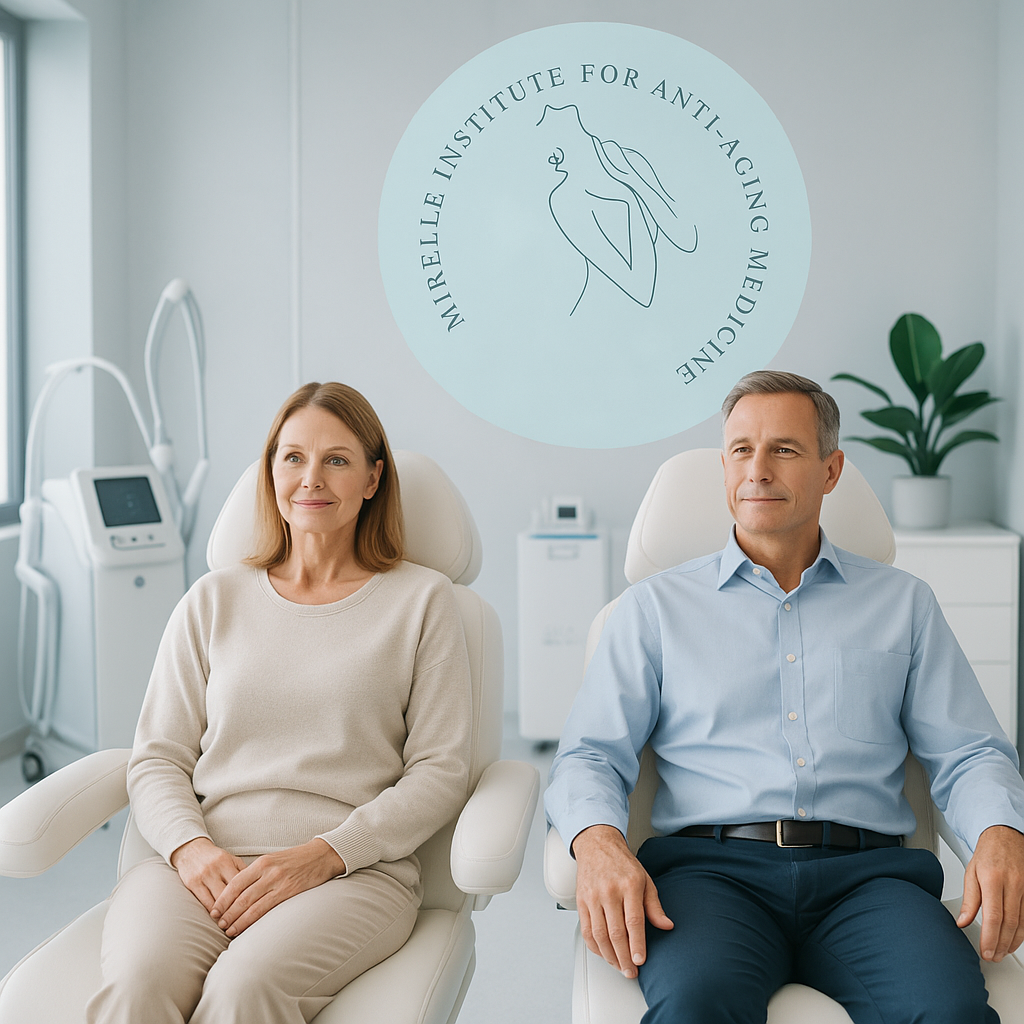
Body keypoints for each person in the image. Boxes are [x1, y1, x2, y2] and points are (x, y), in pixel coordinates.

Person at [545, 370, 1024, 1023]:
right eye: (742, 450)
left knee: (948, 1011)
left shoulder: (904, 605)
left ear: (831, 470)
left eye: (784, 449)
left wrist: (1001, 832)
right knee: (694, 1004)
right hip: (710, 877)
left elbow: (970, 752)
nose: (758, 469)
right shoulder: (651, 610)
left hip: (870, 881)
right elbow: (589, 755)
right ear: (723, 468)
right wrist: (598, 842)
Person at [86, 382, 473, 1024]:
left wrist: (326, 853)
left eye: (337, 460)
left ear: (373, 478)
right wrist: (190, 848)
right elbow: (157, 758)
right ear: (270, 472)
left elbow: (441, 772)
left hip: (349, 873)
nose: (310, 478)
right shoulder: (213, 600)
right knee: (138, 986)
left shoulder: (423, 602)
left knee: (243, 992)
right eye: (293, 457)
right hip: (205, 861)